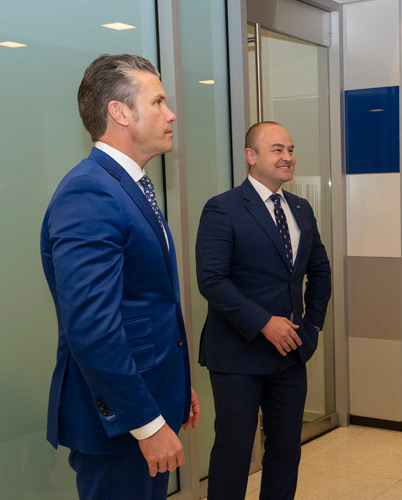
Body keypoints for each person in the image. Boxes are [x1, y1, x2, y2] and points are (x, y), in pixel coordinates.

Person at [41, 54, 200, 500]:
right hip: (120, 425)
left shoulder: (129, 185)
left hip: (147, 398)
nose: (171, 114)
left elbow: (146, 303)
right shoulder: (90, 191)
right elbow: (92, 327)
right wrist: (146, 424)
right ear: (120, 112)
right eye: (158, 102)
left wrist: (175, 385)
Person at [196, 121, 331, 500]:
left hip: (291, 355)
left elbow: (320, 271)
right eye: (277, 150)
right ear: (251, 156)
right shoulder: (223, 208)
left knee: (286, 451)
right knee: (234, 453)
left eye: (290, 149)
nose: (288, 157)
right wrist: (264, 323)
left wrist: (312, 326)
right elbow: (212, 280)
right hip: (238, 355)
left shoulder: (301, 208)